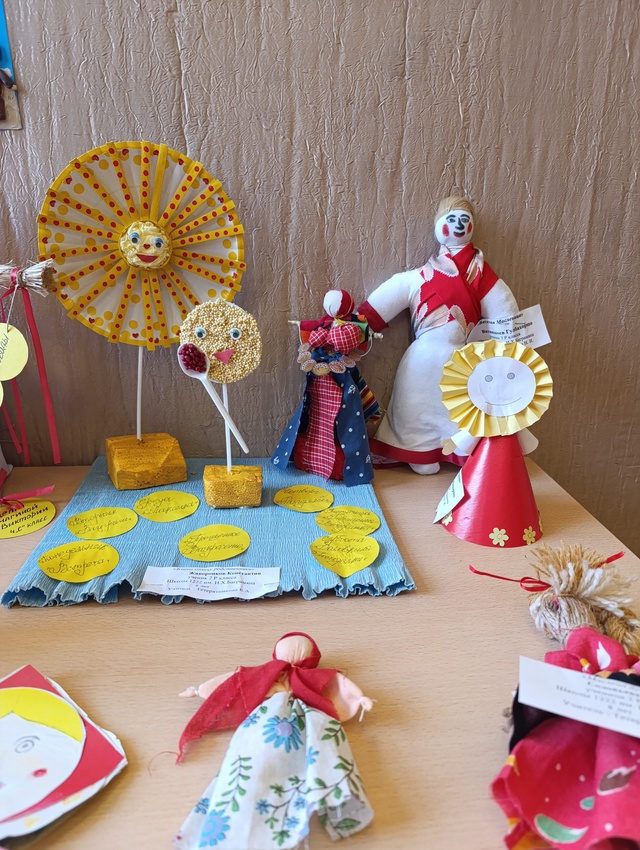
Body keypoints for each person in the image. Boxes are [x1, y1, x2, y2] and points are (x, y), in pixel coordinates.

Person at [358, 196, 519, 474]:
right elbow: (378, 307)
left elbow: (505, 317)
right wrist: (356, 327)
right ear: (438, 226)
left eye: (464, 220)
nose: (459, 225)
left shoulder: (483, 279)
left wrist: (510, 355)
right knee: (416, 409)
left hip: (463, 362)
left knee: (459, 410)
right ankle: (417, 452)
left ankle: (460, 450)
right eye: (451, 219)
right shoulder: (419, 277)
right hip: (421, 362)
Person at [174, 632, 374, 849]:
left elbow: (339, 685)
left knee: (306, 751)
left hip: (297, 722)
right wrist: (199, 690)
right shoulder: (268, 675)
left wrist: (359, 698)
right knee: (255, 760)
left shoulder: (310, 680)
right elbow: (234, 682)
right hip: (267, 722)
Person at [272, 290, 379, 486]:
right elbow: (312, 335)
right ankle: (312, 458)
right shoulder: (323, 327)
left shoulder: (352, 327)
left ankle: (342, 464)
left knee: (348, 419)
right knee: (313, 415)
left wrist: (334, 338)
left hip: (341, 376)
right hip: (320, 377)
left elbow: (349, 342)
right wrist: (322, 337)